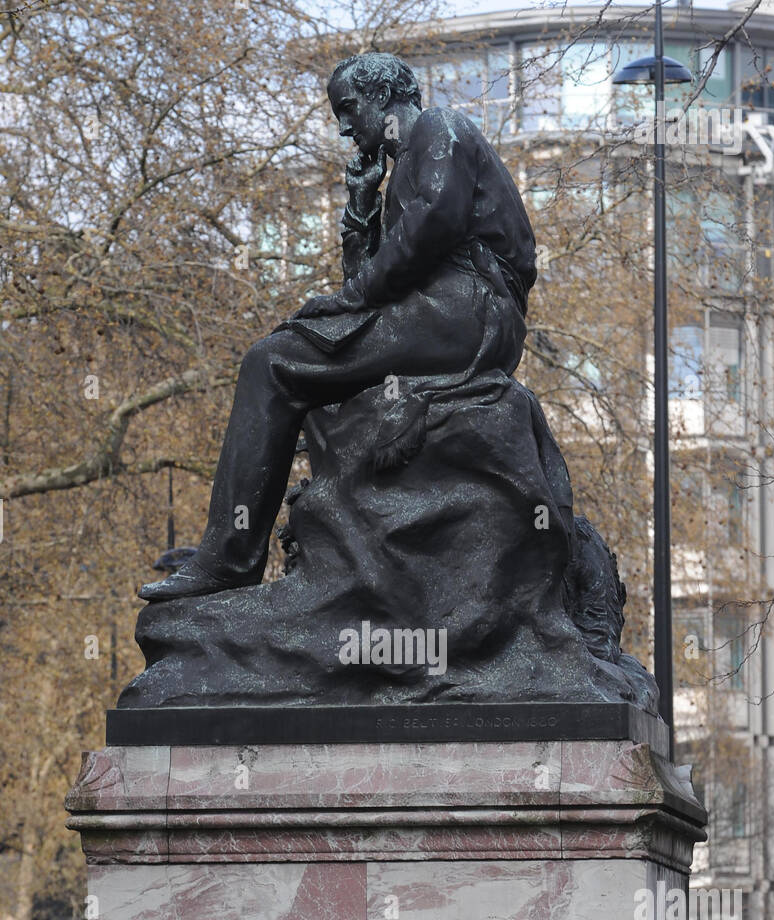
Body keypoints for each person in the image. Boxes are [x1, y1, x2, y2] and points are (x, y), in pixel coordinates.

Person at [139, 51, 537, 603]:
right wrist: (359, 205)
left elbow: (430, 230)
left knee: (271, 363)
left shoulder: (437, 129)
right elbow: (372, 275)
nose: (343, 126)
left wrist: (349, 297)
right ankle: (241, 551)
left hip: (468, 309)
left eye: (348, 109)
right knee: (293, 365)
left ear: (382, 97)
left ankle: (227, 560)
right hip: (443, 310)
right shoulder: (403, 166)